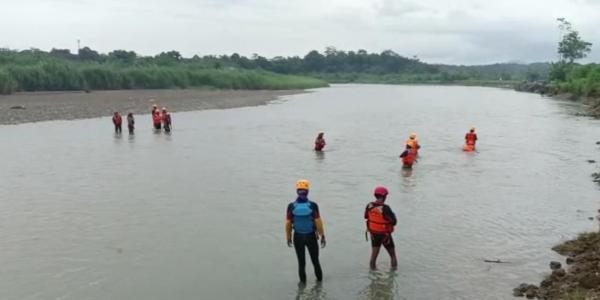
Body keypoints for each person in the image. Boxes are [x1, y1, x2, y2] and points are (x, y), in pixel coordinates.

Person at [286, 179, 326, 284]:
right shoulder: (313, 205)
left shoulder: (291, 206)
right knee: (315, 261)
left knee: (301, 263)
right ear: (307, 191)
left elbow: (288, 223)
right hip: (311, 236)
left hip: (298, 237)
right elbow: (318, 222)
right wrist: (322, 236)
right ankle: (319, 288)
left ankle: (302, 287)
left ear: (297, 191)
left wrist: (288, 237)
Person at [365, 186, 397, 270]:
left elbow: (366, 216)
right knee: (393, 256)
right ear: (384, 196)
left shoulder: (369, 205)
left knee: (373, 257)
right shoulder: (385, 208)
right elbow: (394, 221)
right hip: (385, 235)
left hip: (374, 234)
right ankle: (393, 274)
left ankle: (373, 276)